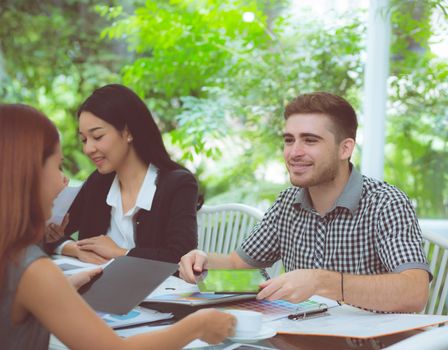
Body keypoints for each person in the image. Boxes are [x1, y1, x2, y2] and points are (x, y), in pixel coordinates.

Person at [0, 104, 235, 350]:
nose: (63, 182)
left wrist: (64, 289)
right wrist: (197, 326)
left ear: (128, 133)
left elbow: (182, 253)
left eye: (97, 136)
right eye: (58, 166)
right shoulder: (31, 268)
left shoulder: (175, 183)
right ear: (26, 171)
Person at [179, 92, 431, 313]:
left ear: (345, 149)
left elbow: (414, 292)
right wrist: (203, 261)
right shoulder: (288, 202)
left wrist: (321, 282)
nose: (294, 152)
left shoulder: (385, 203)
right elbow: (237, 264)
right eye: (289, 140)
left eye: (310, 140)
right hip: (298, 336)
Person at [46, 84, 199, 264]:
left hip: (157, 290)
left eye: (97, 137)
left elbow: (182, 257)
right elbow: (48, 234)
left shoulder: (178, 185)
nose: (88, 149)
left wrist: (120, 253)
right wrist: (73, 249)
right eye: (84, 140)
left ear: (128, 132)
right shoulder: (98, 182)